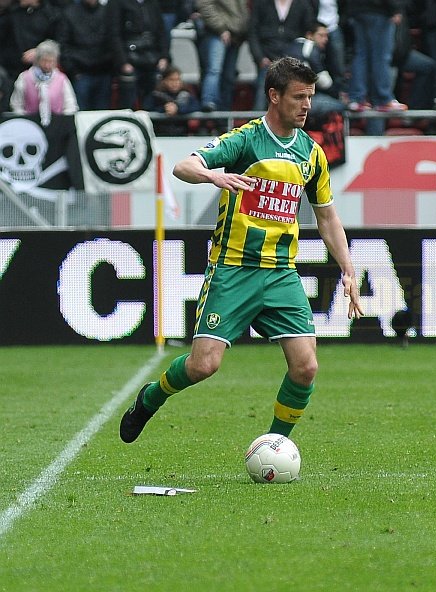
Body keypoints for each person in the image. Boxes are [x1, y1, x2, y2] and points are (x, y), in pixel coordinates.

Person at [120, 56, 364, 445]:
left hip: (281, 272)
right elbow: (184, 166)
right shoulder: (245, 139)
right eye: (299, 97)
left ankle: (275, 445)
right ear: (273, 95)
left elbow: (328, 218)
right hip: (233, 269)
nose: (306, 106)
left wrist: (349, 270)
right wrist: (211, 174)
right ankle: (151, 398)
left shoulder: (311, 153)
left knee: (306, 368)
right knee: (204, 366)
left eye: (310, 97)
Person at [248, 0, 316, 111]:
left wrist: (298, 57)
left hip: (292, 60)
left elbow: (308, 31)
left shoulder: (302, 4)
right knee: (262, 95)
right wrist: (259, 58)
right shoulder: (261, 3)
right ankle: (259, 126)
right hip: (267, 60)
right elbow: (253, 32)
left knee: (293, 96)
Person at [346, 0, 408, 112]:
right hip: (379, 9)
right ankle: (383, 99)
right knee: (381, 57)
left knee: (361, 55)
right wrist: (396, 8)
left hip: (357, 10)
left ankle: (356, 99)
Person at [107, 0, 169, 109]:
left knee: (151, 100)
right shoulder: (117, 3)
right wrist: (123, 62)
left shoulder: (152, 3)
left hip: (151, 58)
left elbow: (161, 31)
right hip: (129, 59)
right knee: (128, 102)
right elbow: (114, 34)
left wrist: (164, 56)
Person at [57, 0, 115, 111]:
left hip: (104, 72)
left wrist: (111, 66)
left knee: (101, 116)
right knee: (80, 116)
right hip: (80, 73)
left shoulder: (108, 12)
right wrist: (73, 71)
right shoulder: (70, 13)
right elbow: (63, 45)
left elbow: (114, 39)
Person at [195, 0, 249, 112]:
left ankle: (224, 114)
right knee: (214, 70)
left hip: (237, 35)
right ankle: (209, 102)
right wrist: (221, 29)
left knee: (229, 77)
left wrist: (243, 30)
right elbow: (204, 5)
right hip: (216, 34)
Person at [10, 39, 78, 125]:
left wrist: (62, 122)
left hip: (57, 125)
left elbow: (70, 104)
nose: (47, 65)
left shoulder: (62, 79)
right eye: (44, 61)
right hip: (30, 125)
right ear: (37, 60)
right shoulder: (24, 77)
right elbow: (16, 104)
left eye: (51, 61)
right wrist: (23, 121)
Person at [142, 65, 201, 134]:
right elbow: (147, 109)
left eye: (177, 79)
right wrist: (164, 109)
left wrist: (178, 109)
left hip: (182, 135)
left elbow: (197, 107)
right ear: (164, 81)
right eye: (171, 80)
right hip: (160, 135)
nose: (175, 83)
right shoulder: (155, 95)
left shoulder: (186, 95)